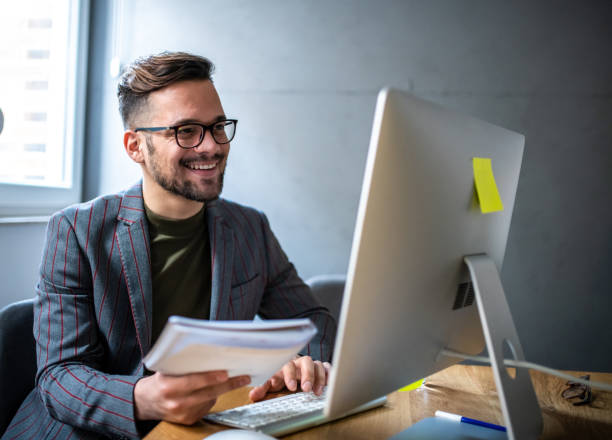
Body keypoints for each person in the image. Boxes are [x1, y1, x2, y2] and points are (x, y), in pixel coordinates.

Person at [3, 52, 336, 439]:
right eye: (186, 131)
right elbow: (58, 377)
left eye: (217, 127)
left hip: (204, 427)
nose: (211, 146)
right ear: (135, 147)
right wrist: (142, 398)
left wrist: (304, 362)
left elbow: (311, 319)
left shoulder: (249, 227)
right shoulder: (77, 230)